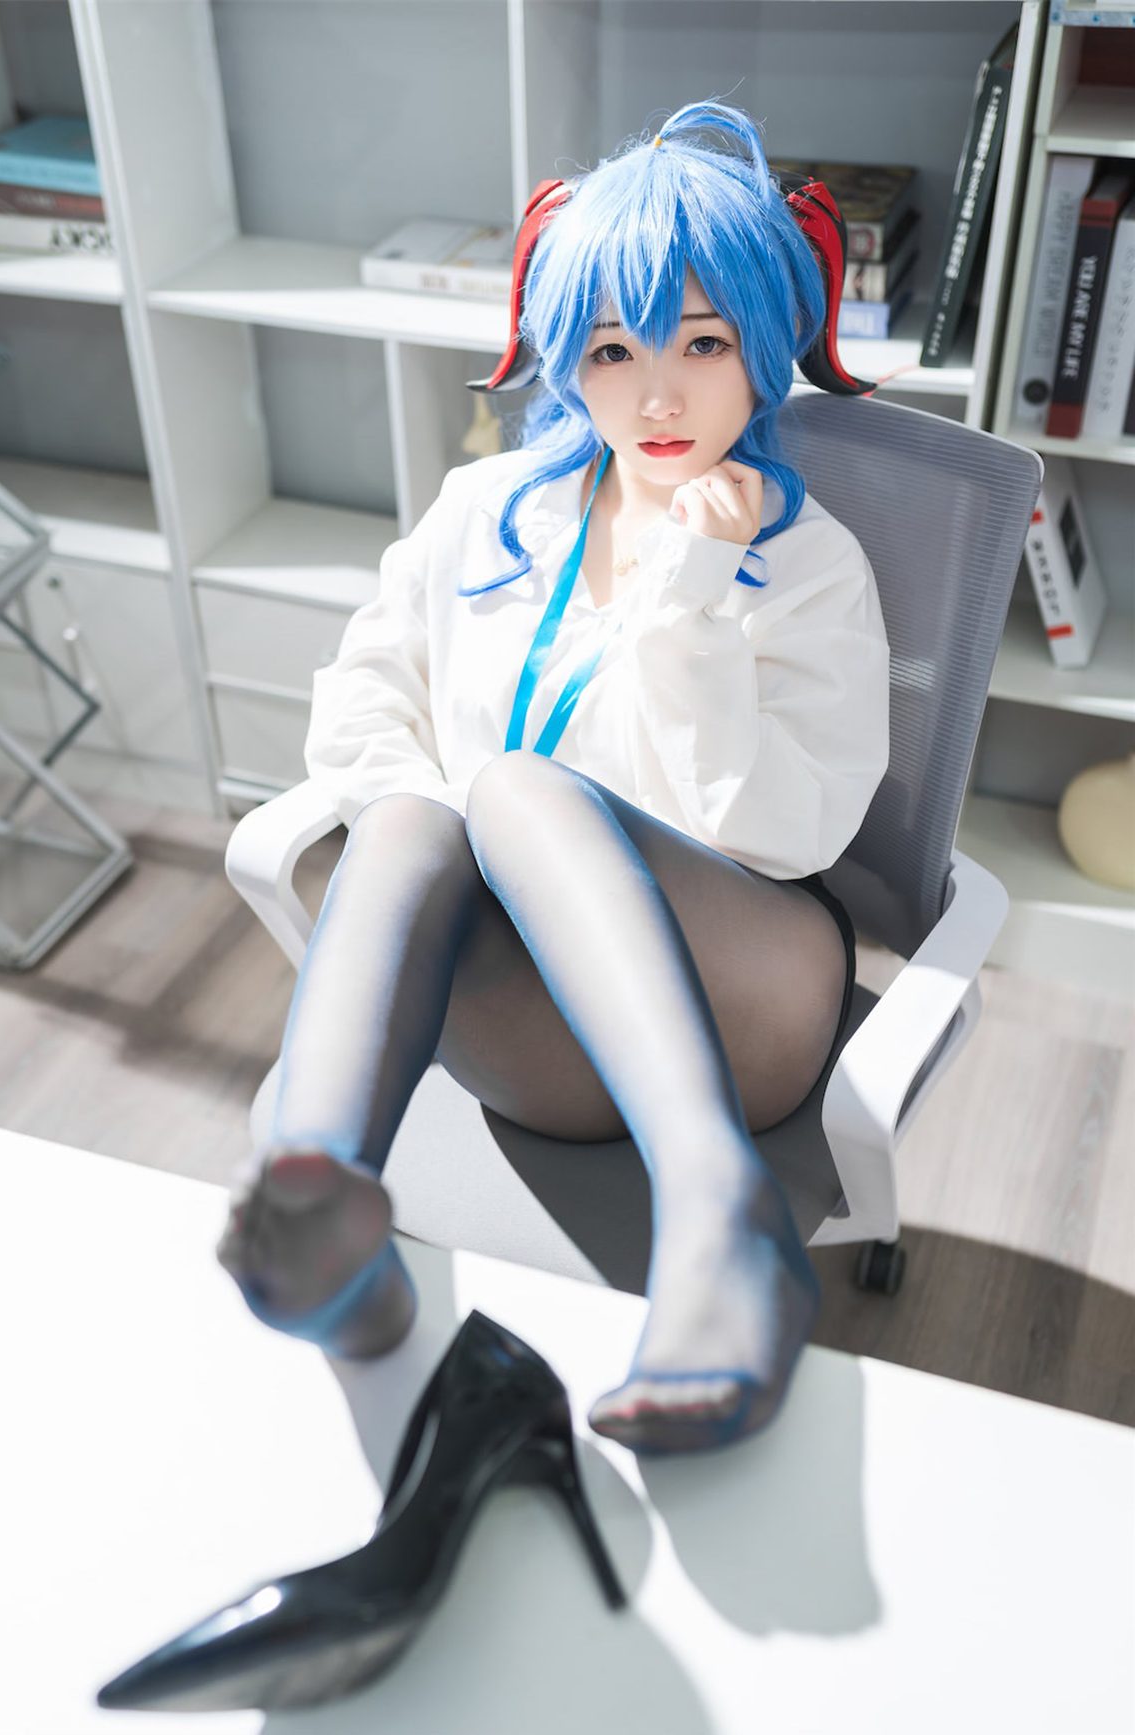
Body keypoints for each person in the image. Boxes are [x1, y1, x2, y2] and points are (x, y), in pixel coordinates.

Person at [217, 98, 892, 1455]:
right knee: (411, 817)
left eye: (705, 343)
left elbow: (779, 834)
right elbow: (365, 697)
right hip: (534, 1034)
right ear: (564, 355)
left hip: (745, 999)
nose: (659, 396)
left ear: (766, 345)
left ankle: (723, 1223)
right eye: (612, 350)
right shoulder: (491, 509)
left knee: (515, 790)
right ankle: (321, 1206)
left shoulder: (808, 562)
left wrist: (695, 597)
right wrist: (431, 829)